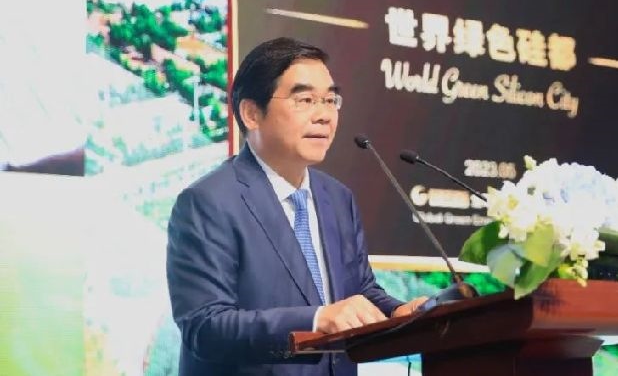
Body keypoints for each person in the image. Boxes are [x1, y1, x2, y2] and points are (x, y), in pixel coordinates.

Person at [166, 37, 426, 376]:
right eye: (305, 100)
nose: (324, 116)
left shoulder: (338, 198)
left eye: (330, 100)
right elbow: (205, 326)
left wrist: (398, 312)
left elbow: (360, 290)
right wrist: (316, 319)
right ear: (251, 113)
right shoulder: (207, 202)